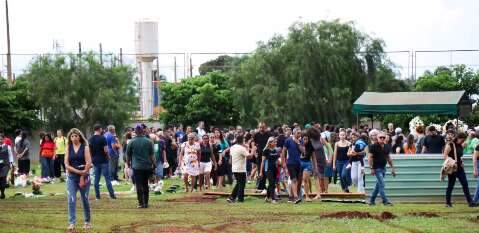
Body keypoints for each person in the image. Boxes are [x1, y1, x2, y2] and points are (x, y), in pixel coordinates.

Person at [64, 128, 92, 230]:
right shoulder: (68, 147)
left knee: (84, 199)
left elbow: (88, 163)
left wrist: (82, 175)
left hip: (84, 176)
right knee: (71, 199)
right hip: (72, 176)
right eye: (72, 136)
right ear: (70, 138)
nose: (74, 138)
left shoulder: (85, 147)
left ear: (79, 137)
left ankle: (87, 221)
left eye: (76, 136)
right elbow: (66, 164)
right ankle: (72, 223)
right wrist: (78, 172)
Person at [444, 131, 477, 207]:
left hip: (459, 168)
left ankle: (470, 202)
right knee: (451, 185)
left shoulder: (460, 145)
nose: (464, 141)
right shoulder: (450, 145)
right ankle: (448, 203)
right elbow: (445, 156)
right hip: (452, 167)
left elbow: (459, 156)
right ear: (459, 138)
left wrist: (461, 161)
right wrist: (452, 162)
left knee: (465, 184)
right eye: (463, 139)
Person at [126, 125, 156, 208]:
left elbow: (128, 155)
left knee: (138, 185)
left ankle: (140, 203)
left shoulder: (131, 142)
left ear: (135, 131)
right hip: (147, 166)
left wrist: (128, 164)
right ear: (143, 131)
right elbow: (152, 155)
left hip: (137, 167)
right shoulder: (149, 141)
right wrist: (154, 164)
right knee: (145, 184)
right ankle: (146, 203)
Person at [89, 124, 116, 200]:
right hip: (103, 160)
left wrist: (91, 159)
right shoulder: (102, 138)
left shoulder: (90, 139)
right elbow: (105, 150)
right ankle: (112, 195)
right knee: (107, 178)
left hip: (95, 161)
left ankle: (97, 196)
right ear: (99, 129)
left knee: (96, 179)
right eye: (101, 129)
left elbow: (90, 151)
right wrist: (108, 157)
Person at [368, 132, 396, 206]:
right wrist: (371, 168)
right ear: (377, 138)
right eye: (380, 137)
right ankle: (385, 201)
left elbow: (388, 158)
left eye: (383, 137)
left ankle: (371, 201)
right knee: (382, 184)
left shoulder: (387, 146)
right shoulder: (373, 146)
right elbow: (370, 158)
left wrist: (392, 168)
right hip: (376, 168)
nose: (382, 139)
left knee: (378, 185)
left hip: (383, 168)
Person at [227, 135, 255, 203]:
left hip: (234, 168)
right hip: (240, 169)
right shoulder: (241, 149)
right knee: (241, 184)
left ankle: (232, 197)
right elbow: (249, 157)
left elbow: (230, 160)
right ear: (243, 140)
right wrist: (253, 150)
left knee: (239, 183)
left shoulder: (232, 147)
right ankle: (239, 198)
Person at [281, 128, 304, 204]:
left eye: (300, 133)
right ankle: (296, 197)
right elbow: (283, 152)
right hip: (290, 163)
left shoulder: (301, 141)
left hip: (299, 163)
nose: (299, 134)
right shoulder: (288, 140)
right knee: (294, 180)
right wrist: (283, 163)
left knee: (298, 180)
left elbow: (303, 151)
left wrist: (298, 143)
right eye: (298, 133)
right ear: (294, 133)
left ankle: (291, 196)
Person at [253, 122, 272, 192]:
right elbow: (254, 144)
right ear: (258, 127)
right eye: (260, 127)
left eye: (263, 127)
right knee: (260, 170)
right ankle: (261, 186)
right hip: (259, 155)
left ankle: (267, 185)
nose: (261, 129)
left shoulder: (269, 134)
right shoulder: (256, 135)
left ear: (265, 127)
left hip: (267, 155)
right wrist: (255, 153)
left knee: (266, 170)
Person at [260, 137, 279, 203]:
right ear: (270, 143)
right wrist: (260, 172)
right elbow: (262, 162)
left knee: (272, 183)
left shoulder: (275, 150)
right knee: (271, 182)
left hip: (274, 169)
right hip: (267, 169)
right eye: (274, 142)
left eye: (276, 142)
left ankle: (267, 197)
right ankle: (273, 199)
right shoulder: (266, 151)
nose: (275, 143)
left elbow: (277, 160)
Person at [0, 133, 14, 199]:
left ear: (4, 139)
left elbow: (10, 155)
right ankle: (2, 192)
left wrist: (11, 163)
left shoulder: (8, 147)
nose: (0, 140)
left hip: (6, 164)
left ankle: (2, 193)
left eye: (1, 139)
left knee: (3, 177)